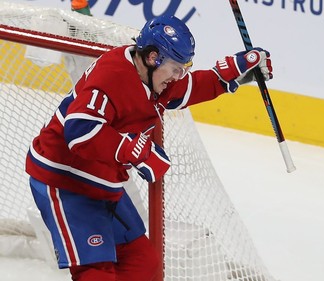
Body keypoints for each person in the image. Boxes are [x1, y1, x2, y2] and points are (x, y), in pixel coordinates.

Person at [25, 15, 273, 281]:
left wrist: (231, 72)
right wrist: (136, 151)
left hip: (102, 183)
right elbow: (79, 129)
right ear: (153, 57)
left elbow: (185, 89)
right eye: (176, 68)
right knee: (96, 273)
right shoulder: (112, 77)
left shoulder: (150, 76)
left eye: (184, 68)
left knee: (143, 263)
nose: (179, 76)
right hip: (66, 183)